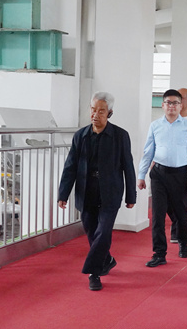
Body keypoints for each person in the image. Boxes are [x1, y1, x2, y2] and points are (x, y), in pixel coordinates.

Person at [58, 92, 137, 291]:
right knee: (92, 232)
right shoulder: (81, 136)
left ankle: (94, 273)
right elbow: (70, 167)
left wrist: (131, 196)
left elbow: (128, 166)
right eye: (93, 110)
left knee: (103, 232)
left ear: (109, 113)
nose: (95, 114)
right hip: (86, 191)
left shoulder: (120, 136)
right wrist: (63, 194)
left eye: (101, 111)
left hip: (110, 192)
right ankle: (107, 259)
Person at [137, 89, 187, 267]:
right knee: (158, 215)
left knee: (180, 213)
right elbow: (148, 152)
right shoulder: (155, 125)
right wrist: (141, 175)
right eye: (168, 103)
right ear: (162, 105)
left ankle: (183, 242)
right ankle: (159, 253)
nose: (171, 106)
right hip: (159, 174)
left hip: (181, 175)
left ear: (181, 106)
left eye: (175, 103)